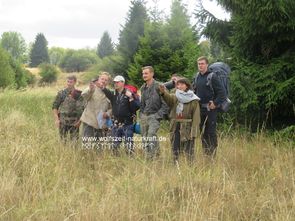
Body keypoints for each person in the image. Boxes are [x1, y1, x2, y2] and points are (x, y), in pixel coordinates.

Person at [159, 78, 200, 163]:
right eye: (178, 84)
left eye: (182, 84)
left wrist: (194, 130)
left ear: (187, 86)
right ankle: (175, 165)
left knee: (188, 148)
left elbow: (196, 117)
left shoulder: (194, 99)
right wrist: (163, 92)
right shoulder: (175, 96)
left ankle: (190, 167)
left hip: (187, 126)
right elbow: (169, 99)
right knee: (175, 147)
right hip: (175, 125)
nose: (179, 86)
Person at [192, 56, 226, 156]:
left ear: (207, 64)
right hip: (199, 109)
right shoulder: (196, 76)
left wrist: (215, 103)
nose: (200, 66)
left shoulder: (212, 76)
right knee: (203, 132)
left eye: (202, 63)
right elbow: (194, 91)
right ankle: (206, 154)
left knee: (211, 133)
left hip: (210, 110)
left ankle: (212, 155)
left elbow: (222, 93)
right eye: (199, 64)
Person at [101, 75, 140, 155]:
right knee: (115, 146)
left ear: (123, 83)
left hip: (127, 124)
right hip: (116, 123)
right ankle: (116, 162)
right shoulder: (113, 94)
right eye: (114, 82)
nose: (115, 84)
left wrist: (131, 98)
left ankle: (130, 162)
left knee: (128, 146)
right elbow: (106, 91)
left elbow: (135, 108)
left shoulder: (130, 93)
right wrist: (102, 87)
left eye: (117, 82)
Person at [140, 66, 169, 159]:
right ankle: (148, 157)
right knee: (144, 137)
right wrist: (141, 114)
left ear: (152, 74)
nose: (144, 75)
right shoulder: (143, 88)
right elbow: (142, 103)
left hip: (155, 115)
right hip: (144, 116)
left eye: (146, 73)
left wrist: (157, 115)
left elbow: (166, 103)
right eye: (143, 73)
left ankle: (154, 156)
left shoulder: (159, 86)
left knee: (151, 134)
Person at [80, 72, 112, 149]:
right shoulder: (92, 88)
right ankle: (87, 158)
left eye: (106, 80)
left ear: (108, 82)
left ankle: (97, 159)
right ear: (98, 79)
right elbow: (84, 95)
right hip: (89, 121)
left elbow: (112, 108)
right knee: (86, 143)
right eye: (102, 79)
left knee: (99, 145)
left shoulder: (109, 93)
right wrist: (90, 89)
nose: (103, 81)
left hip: (101, 123)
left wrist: (108, 113)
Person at [52, 75, 84, 142]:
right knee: (63, 141)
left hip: (75, 122)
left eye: (71, 82)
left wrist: (79, 121)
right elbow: (55, 106)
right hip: (63, 121)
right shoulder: (61, 93)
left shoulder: (79, 94)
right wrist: (56, 119)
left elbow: (83, 109)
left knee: (74, 143)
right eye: (68, 82)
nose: (69, 83)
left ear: (75, 82)